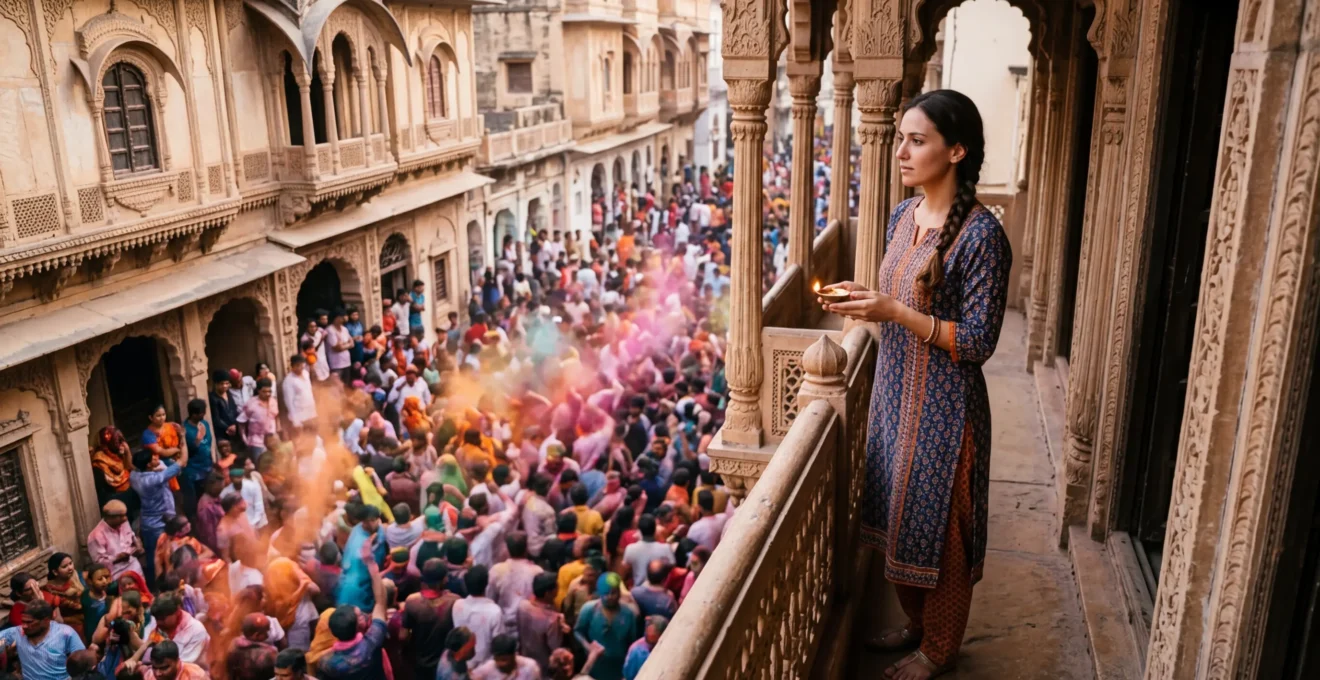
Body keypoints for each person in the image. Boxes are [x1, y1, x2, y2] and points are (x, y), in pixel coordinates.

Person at [819, 89, 1008, 680]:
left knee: (941, 531)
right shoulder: (904, 216)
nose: (900, 150)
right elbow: (898, 294)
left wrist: (897, 313)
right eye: (900, 137)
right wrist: (863, 299)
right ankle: (918, 622)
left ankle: (938, 647)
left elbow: (978, 342)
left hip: (947, 412)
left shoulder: (981, 238)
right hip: (895, 394)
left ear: (956, 151)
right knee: (897, 518)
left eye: (916, 140)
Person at [317, 537, 389, 680]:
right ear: (358, 626)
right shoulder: (372, 642)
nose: (362, 613)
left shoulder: (326, 663)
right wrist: (371, 564)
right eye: (359, 615)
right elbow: (380, 603)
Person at [131, 445, 186, 586]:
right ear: (148, 464)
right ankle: (164, 585)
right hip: (160, 524)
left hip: (147, 522)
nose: (157, 458)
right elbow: (183, 461)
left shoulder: (135, 476)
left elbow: (131, 466)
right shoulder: (155, 479)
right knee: (163, 557)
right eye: (153, 458)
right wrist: (182, 437)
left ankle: (153, 584)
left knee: (151, 556)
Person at [399, 559, 459, 680]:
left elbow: (403, 636)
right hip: (445, 662)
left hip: (420, 662)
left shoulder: (412, 601)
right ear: (444, 579)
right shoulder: (455, 601)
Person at [572, 574, 637, 680]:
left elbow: (632, 643)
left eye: (613, 593)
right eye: (606, 594)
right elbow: (577, 631)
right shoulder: (589, 609)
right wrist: (588, 647)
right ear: (599, 593)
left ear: (619, 593)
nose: (610, 597)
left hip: (618, 666)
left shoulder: (628, 614)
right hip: (596, 665)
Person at [450, 566, 502, 667]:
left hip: (462, 664)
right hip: (485, 667)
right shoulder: (494, 611)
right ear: (486, 585)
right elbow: (498, 645)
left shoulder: (457, 605)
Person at [515, 573, 564, 674]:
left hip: (524, 658)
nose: (558, 590)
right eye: (556, 587)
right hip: (543, 667)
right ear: (547, 593)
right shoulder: (551, 619)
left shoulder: (522, 606)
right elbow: (555, 647)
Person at [140, 594, 210, 665]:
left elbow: (183, 665)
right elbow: (146, 645)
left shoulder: (196, 630)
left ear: (177, 612)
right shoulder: (158, 624)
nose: (158, 622)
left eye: (162, 619)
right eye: (156, 618)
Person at [88, 499, 146, 579]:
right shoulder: (95, 536)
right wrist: (117, 558)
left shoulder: (124, 523)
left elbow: (132, 538)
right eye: (121, 516)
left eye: (125, 515)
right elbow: (99, 564)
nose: (125, 518)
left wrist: (138, 545)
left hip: (135, 567)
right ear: (109, 517)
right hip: (116, 574)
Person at [90, 426, 137, 516]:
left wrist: (127, 453)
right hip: (112, 500)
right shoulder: (100, 461)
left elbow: (129, 468)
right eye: (118, 442)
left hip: (125, 496)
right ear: (110, 443)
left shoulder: (116, 453)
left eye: (122, 441)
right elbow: (105, 488)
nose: (121, 445)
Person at [619, 515, 672, 587]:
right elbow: (672, 567)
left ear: (639, 530)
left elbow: (624, 571)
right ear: (655, 529)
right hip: (659, 589)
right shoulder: (666, 548)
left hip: (638, 588)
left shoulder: (630, 548)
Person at [225, 613, 279, 680]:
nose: (267, 635)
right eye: (265, 632)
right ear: (256, 635)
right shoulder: (269, 654)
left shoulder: (232, 645)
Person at [238, 378, 280, 455]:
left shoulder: (273, 402)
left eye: (269, 391)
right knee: (260, 465)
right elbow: (241, 422)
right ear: (258, 391)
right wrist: (245, 439)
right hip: (256, 442)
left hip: (272, 441)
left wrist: (277, 432)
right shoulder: (251, 404)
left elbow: (276, 417)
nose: (267, 394)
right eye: (264, 391)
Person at [469, 634, 539, 680]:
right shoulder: (486, 670)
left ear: (514, 655)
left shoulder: (530, 667)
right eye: (497, 659)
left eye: (504, 660)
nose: (500, 663)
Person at [132, 640, 207, 680]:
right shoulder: (149, 676)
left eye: (164, 668)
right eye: (154, 667)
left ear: (177, 661)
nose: (158, 674)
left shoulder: (196, 675)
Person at [284, 354, 319, 432]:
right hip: (300, 416)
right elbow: (289, 402)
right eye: (298, 366)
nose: (300, 369)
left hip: (311, 412)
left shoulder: (306, 374)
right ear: (293, 366)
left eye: (302, 366)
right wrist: (296, 421)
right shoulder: (289, 381)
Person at [210, 370, 241, 449]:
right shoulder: (213, 398)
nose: (224, 386)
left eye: (226, 383)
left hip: (234, 430)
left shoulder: (229, 394)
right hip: (222, 433)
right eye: (221, 383)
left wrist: (235, 425)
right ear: (216, 384)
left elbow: (234, 410)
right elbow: (216, 418)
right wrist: (228, 428)